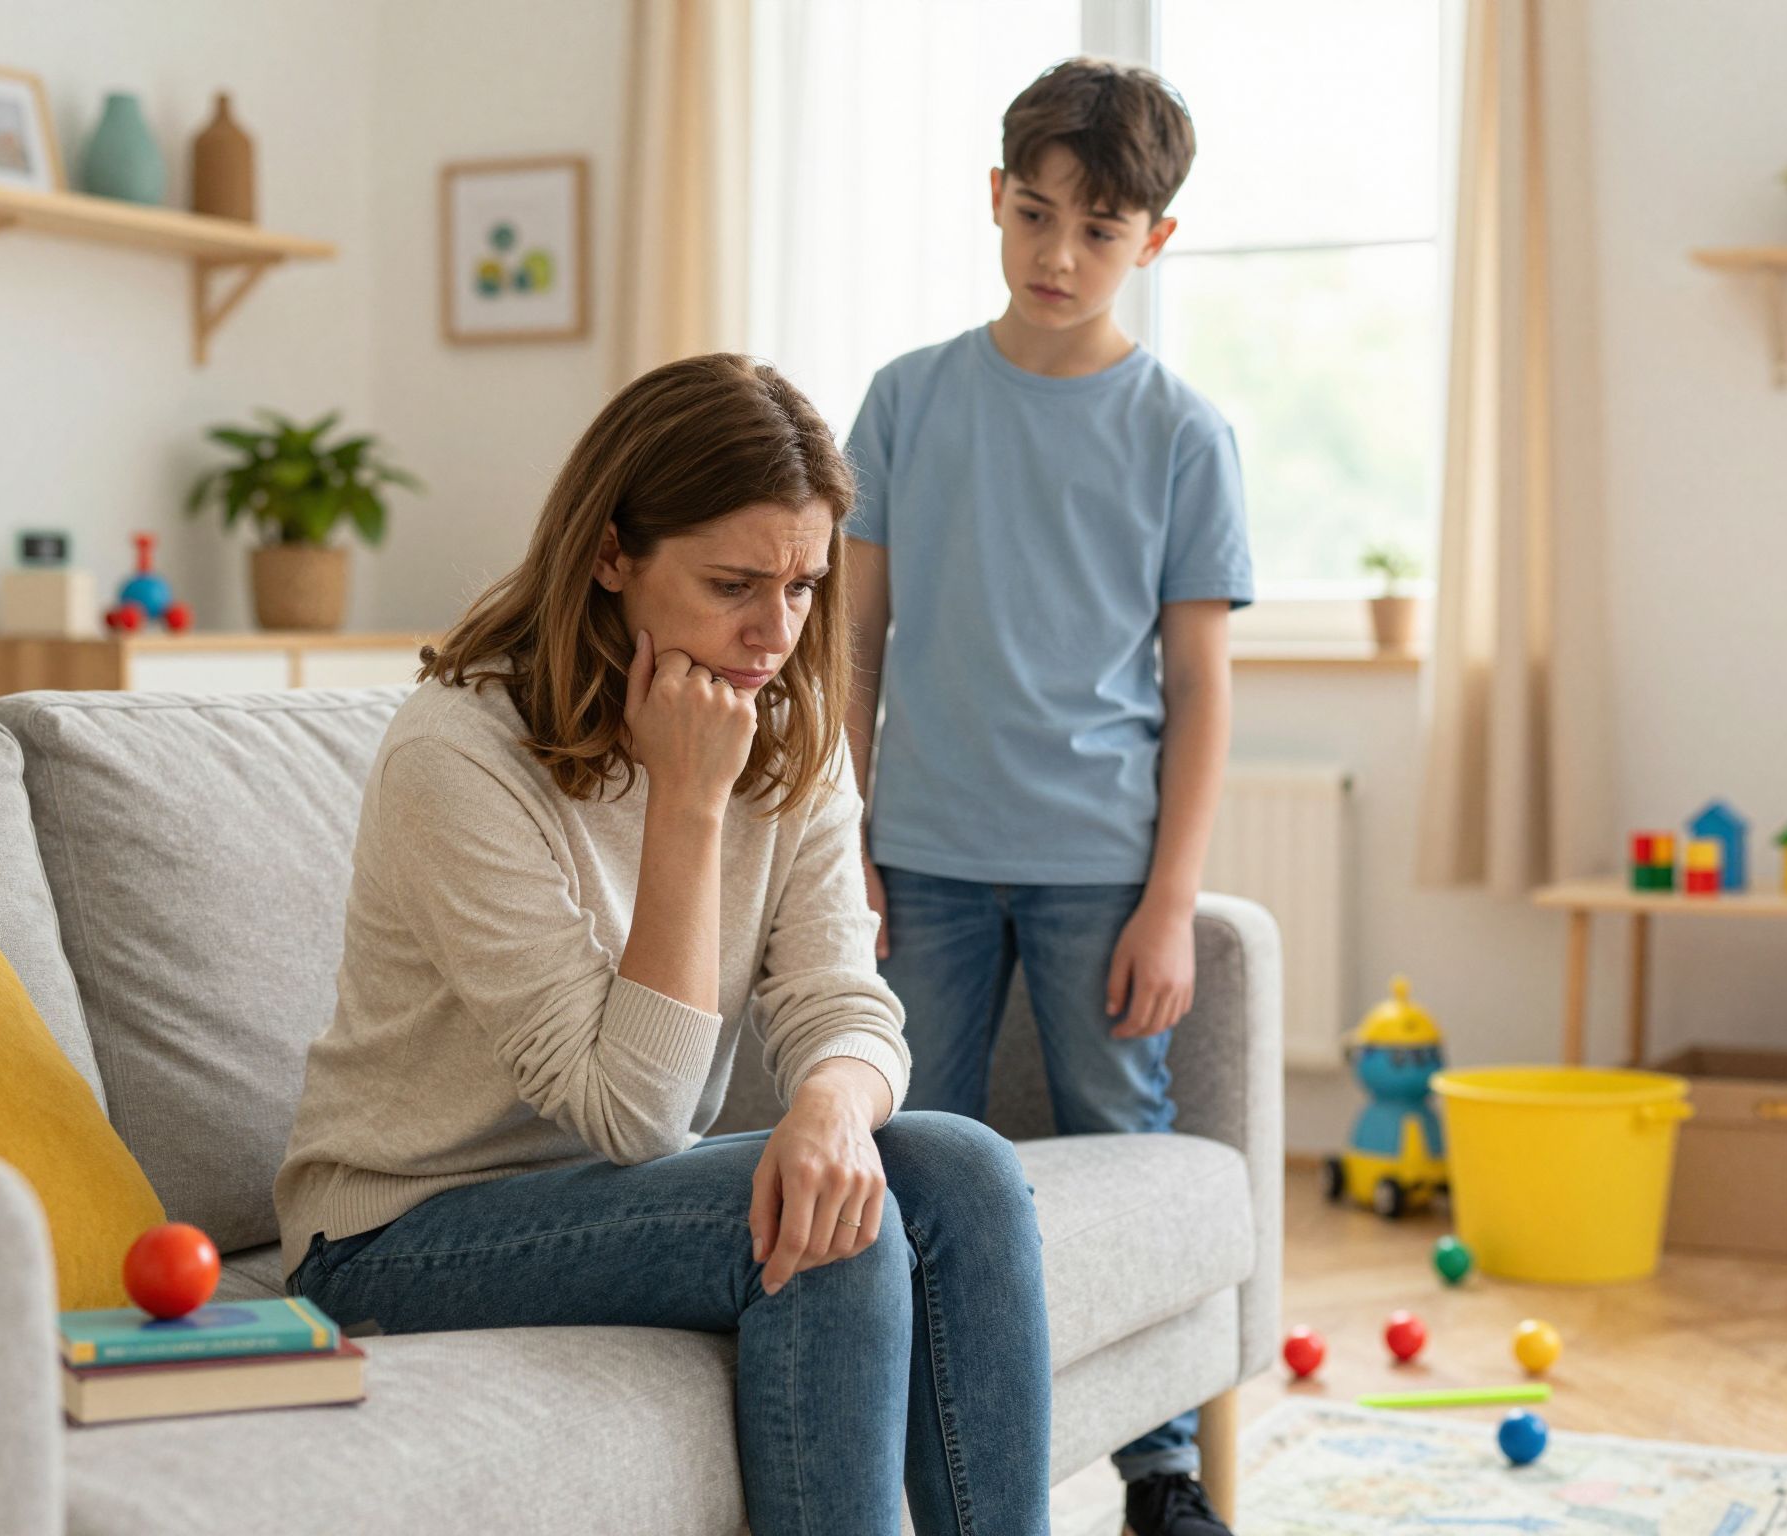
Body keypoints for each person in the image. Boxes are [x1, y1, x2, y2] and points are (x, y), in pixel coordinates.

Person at [274, 354, 1054, 1536]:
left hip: (620, 1195)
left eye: (801, 587)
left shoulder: (785, 723)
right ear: (609, 555)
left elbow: (843, 997)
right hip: (398, 1232)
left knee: (962, 1171)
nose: (772, 633)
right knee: (829, 1232)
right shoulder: (458, 756)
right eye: (733, 583)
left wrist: (834, 1110)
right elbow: (632, 1114)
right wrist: (690, 806)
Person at [843, 58, 1253, 1536]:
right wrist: (850, 847)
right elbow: (855, 641)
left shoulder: (1183, 436)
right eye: (1035, 216)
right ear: (994, 204)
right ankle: (889, 1433)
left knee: (1123, 1154)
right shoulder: (905, 401)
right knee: (909, 1145)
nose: (1059, 256)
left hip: (1099, 867)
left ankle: (1160, 1474)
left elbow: (1201, 689)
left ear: (1155, 240)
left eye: (1099, 228)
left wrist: (1169, 905)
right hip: (924, 859)